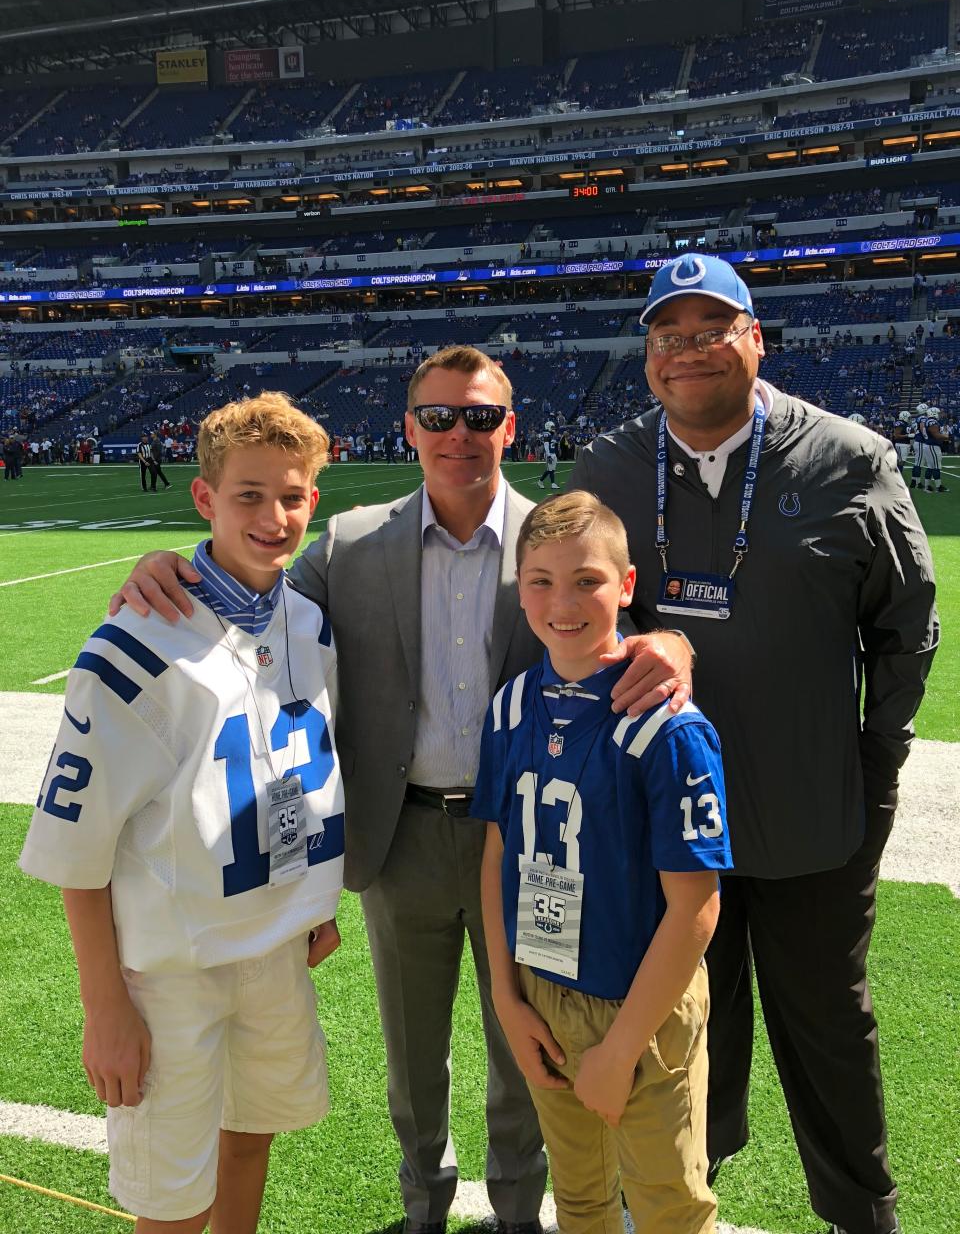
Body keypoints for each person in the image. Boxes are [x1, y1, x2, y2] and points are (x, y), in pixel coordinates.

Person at [108, 345, 694, 1234]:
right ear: (410, 427)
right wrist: (172, 563)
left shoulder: (551, 542)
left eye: (481, 416)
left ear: (511, 425)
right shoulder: (349, 542)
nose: (460, 433)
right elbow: (252, 588)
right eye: (438, 417)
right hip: (401, 835)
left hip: (524, 841)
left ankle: (515, 1214)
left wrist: (675, 645)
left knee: (525, 1046)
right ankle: (423, 1210)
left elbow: (620, 628)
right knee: (414, 1056)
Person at [569, 253, 938, 1234]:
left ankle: (863, 1212)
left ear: (755, 338)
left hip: (813, 800)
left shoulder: (851, 459)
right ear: (648, 355)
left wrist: (875, 755)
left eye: (710, 328)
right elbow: (560, 610)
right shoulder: (607, 466)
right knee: (687, 1014)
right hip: (663, 814)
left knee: (825, 1020)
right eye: (668, 334)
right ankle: (690, 1185)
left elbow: (907, 622)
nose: (688, 350)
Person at [21, 393, 345, 1234]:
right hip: (172, 974)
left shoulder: (308, 621)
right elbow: (74, 847)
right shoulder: (136, 645)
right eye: (248, 495)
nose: (273, 517)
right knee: (171, 1200)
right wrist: (104, 1005)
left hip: (274, 946)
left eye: (292, 496)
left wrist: (307, 896)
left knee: (250, 1139)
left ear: (316, 498)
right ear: (203, 499)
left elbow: (298, 775)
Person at [475, 491, 730, 1234]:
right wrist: (506, 996)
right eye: (541, 581)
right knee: (580, 1199)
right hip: (542, 991)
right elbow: (497, 851)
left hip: (640, 1004)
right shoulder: (513, 703)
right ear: (519, 588)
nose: (563, 601)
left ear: (625, 586)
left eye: (587, 579)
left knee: (669, 1210)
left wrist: (620, 1050)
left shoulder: (667, 724)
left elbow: (696, 908)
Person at [536, 426, 559, 491]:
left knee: (551, 469)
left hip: (553, 454)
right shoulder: (547, 435)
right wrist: (548, 455)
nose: (554, 429)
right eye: (552, 428)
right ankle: (552, 483)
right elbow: (546, 446)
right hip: (549, 454)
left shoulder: (553, 436)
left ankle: (541, 481)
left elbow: (554, 445)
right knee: (550, 470)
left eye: (554, 428)